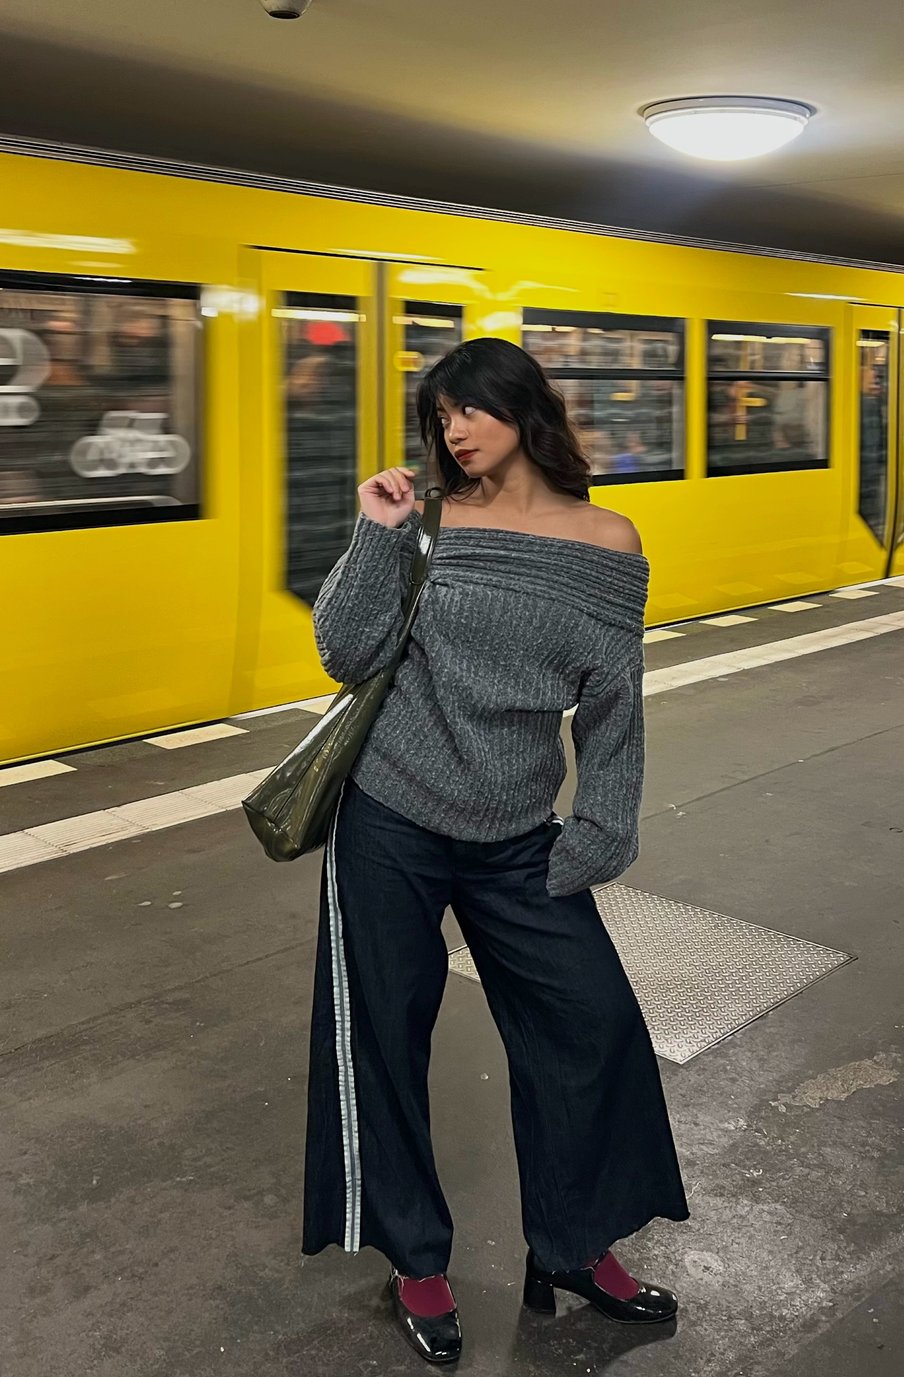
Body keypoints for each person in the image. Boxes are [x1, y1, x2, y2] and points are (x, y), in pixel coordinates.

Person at [302, 337, 690, 1364]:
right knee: (384, 1037)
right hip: (389, 815)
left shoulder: (607, 538)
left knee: (591, 1022)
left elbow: (613, 703)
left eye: (467, 409)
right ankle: (416, 1260)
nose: (452, 431)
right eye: (440, 418)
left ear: (523, 407)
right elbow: (345, 650)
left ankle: (572, 1242)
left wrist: (602, 823)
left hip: (518, 830)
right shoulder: (426, 521)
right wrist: (373, 532)